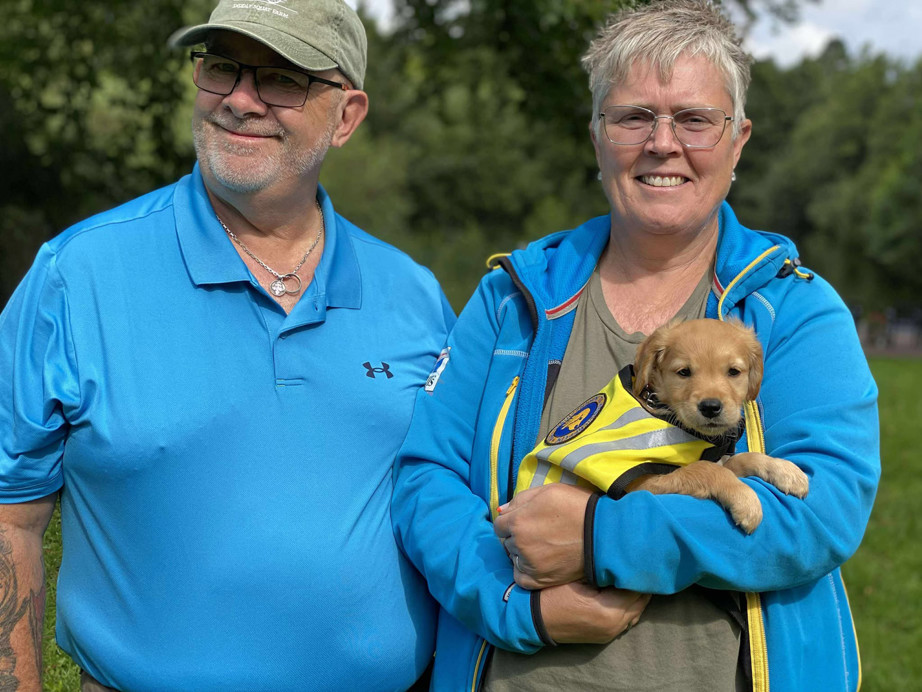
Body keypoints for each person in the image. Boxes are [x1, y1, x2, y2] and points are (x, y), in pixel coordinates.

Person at [391, 1, 879, 690]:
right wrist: (516, 601)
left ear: (739, 139)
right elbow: (424, 480)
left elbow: (820, 511)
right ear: (596, 135)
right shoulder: (512, 300)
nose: (662, 143)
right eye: (633, 117)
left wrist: (600, 540)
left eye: (694, 120)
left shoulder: (792, 310)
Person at [0, 1, 454, 689]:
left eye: (280, 78)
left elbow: (454, 501)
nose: (240, 100)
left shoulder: (413, 294)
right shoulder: (79, 276)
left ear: (347, 116)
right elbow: (11, 517)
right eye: (222, 68)